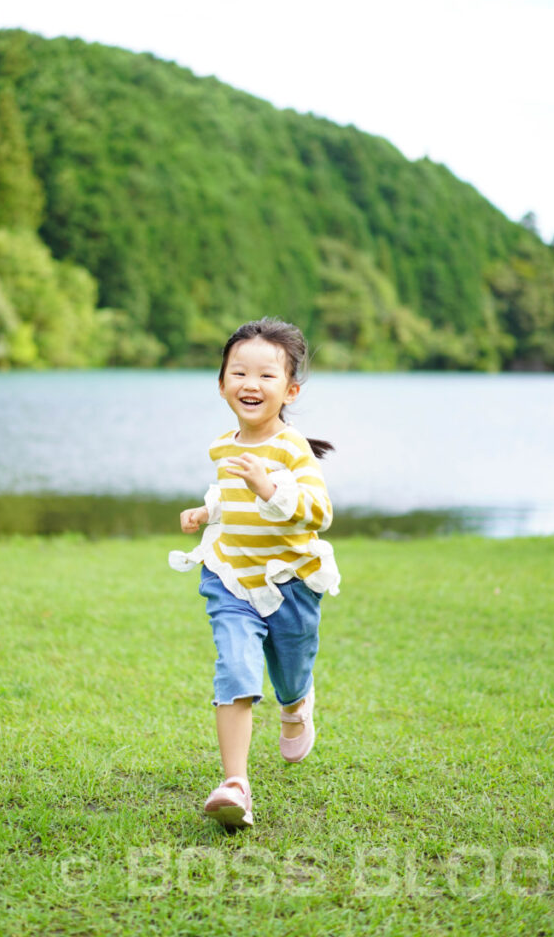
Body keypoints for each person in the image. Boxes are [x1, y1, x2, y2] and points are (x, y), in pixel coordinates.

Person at [169, 317, 340, 829]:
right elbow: (229, 495)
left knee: (289, 671)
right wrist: (207, 513)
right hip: (231, 578)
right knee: (236, 668)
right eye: (238, 372)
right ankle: (235, 784)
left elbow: (319, 512)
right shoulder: (223, 447)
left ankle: (296, 705)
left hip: (289, 583)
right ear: (222, 382)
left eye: (266, 376)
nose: (250, 384)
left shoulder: (293, 449)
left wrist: (272, 490)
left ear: (290, 389)